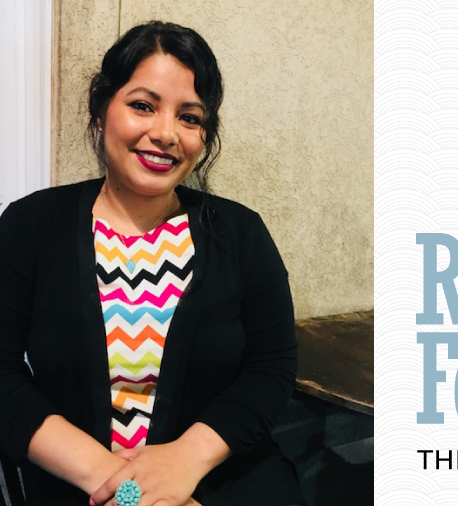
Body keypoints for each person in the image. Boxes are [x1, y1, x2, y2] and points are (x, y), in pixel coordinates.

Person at [0, 21, 303, 506]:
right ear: (103, 108)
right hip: (79, 483)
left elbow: (272, 367)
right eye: (143, 105)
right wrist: (128, 489)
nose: (165, 133)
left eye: (190, 117)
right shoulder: (31, 225)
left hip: (222, 478)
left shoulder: (241, 233)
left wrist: (185, 460)